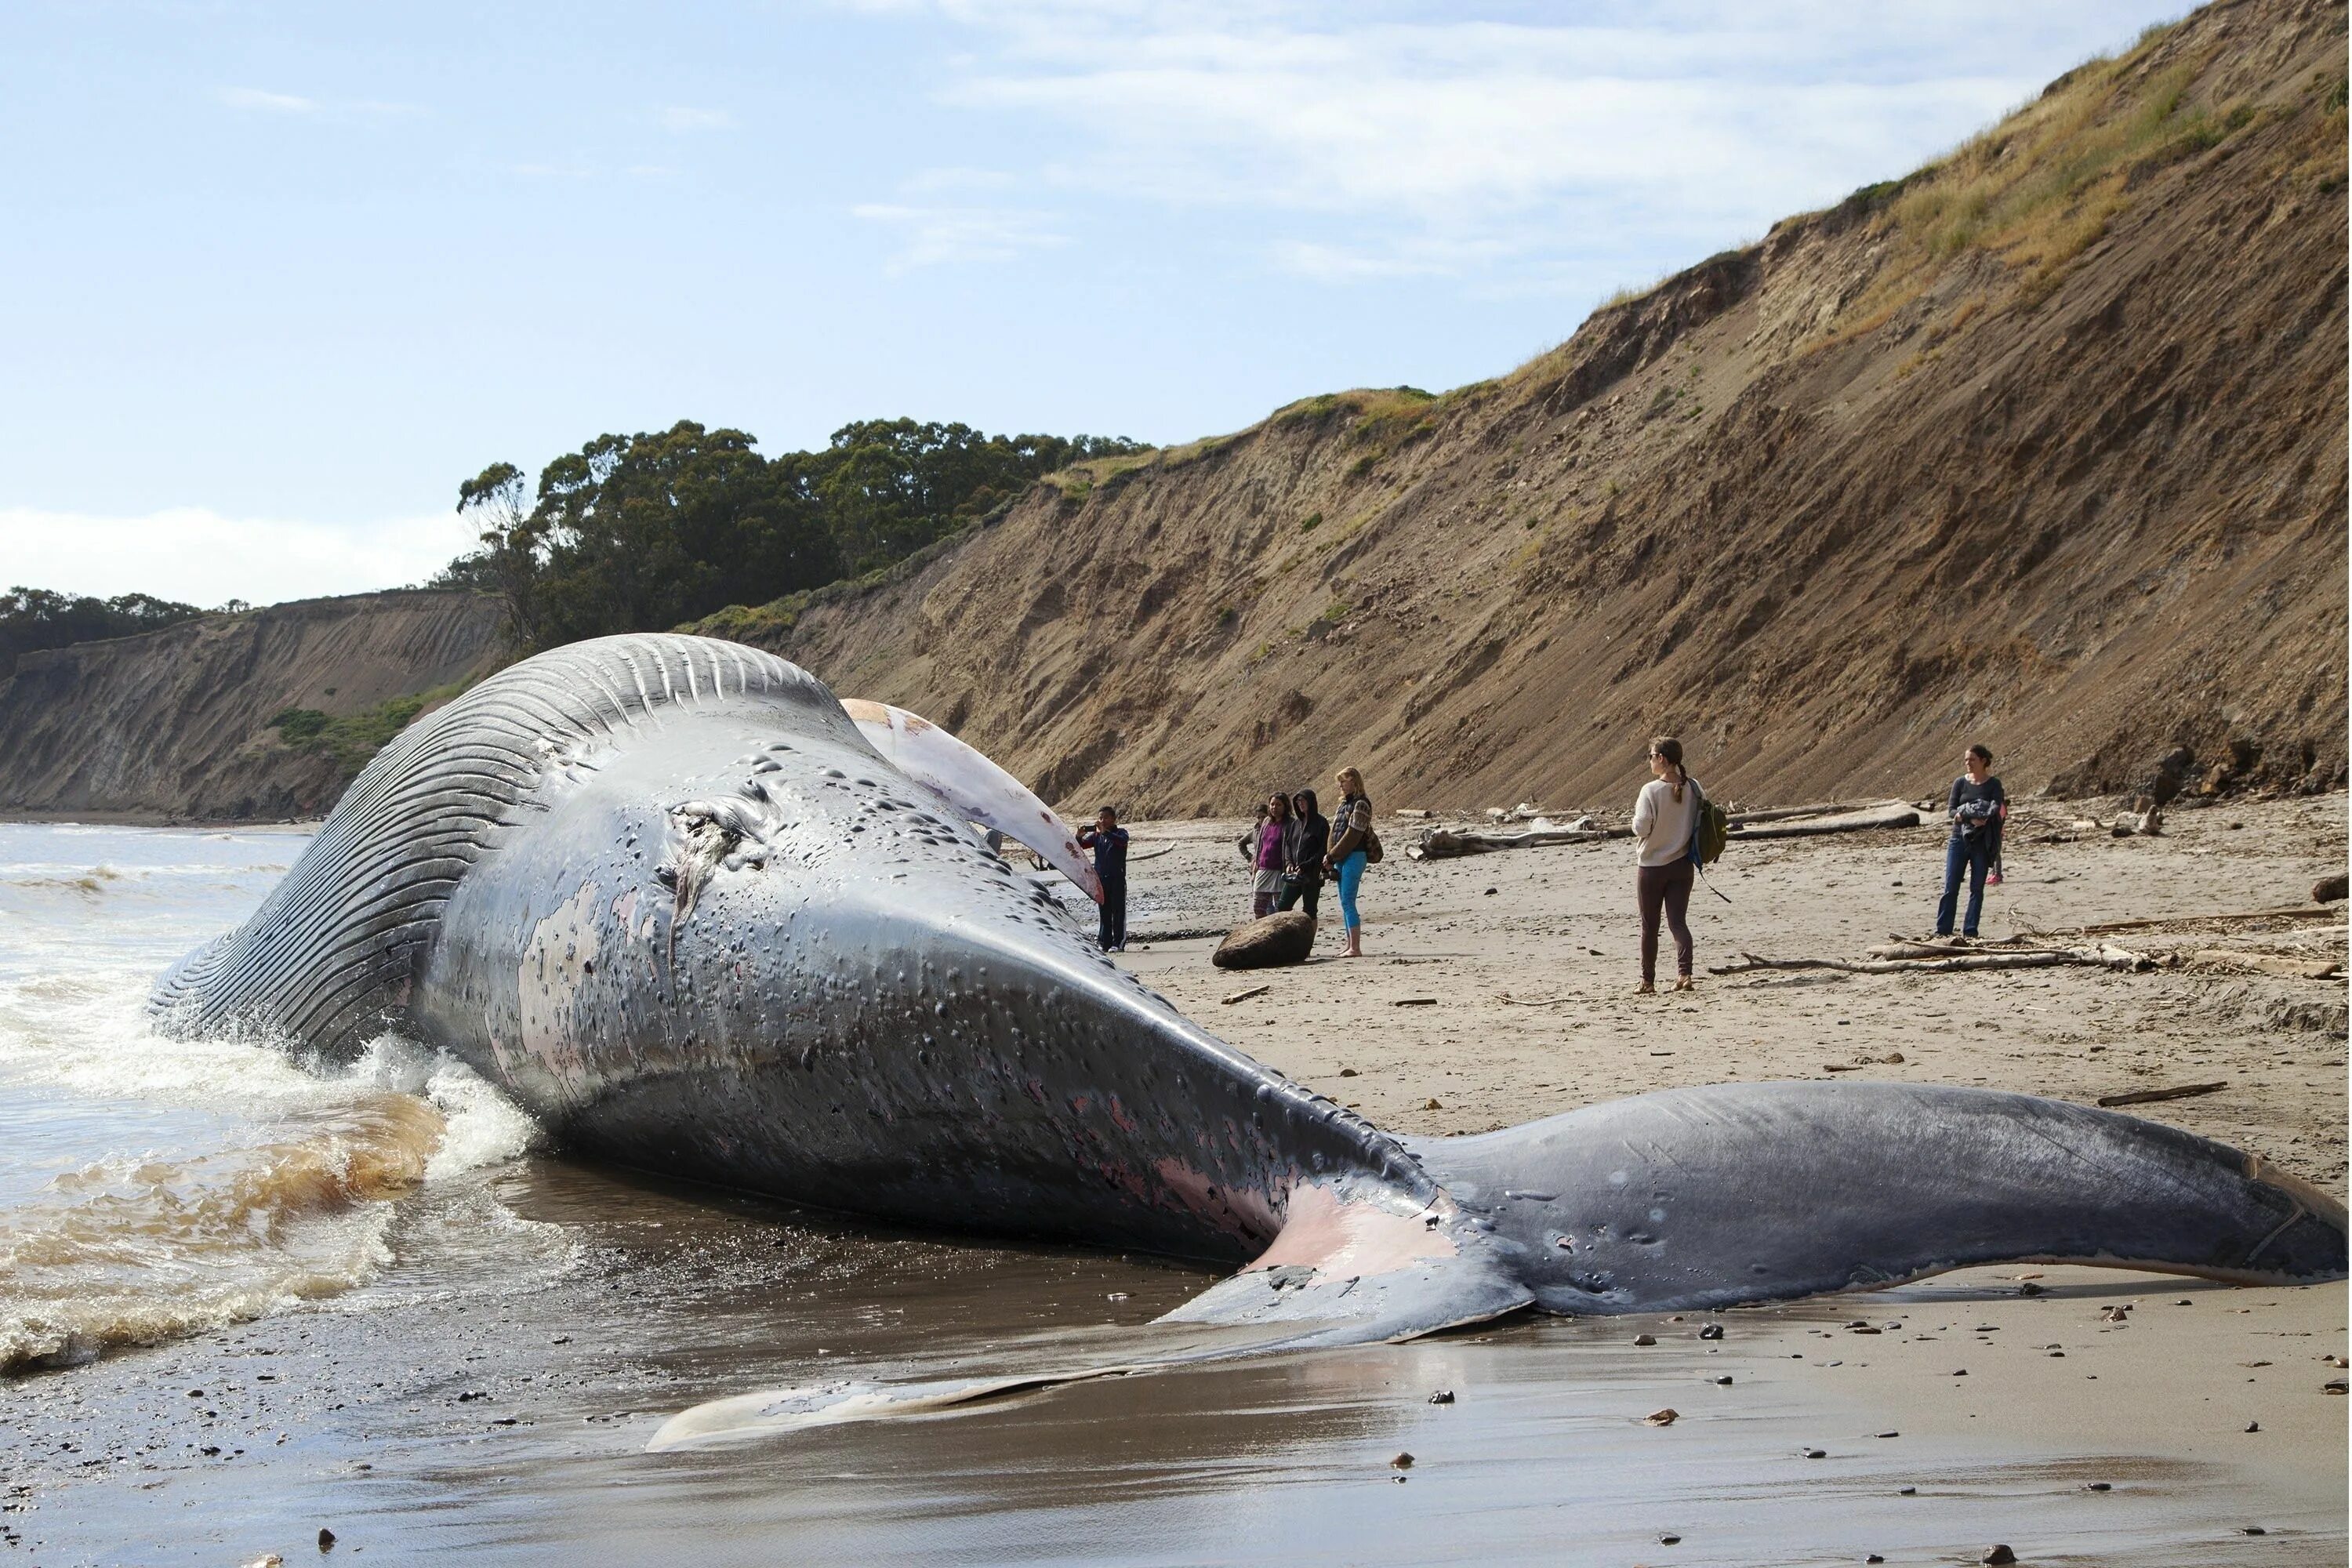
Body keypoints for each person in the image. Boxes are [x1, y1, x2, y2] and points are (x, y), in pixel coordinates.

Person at [1632, 735, 1699, 994]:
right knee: (1678, 923)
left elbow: (1641, 827)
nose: (1649, 761)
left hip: (1651, 867)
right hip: (1683, 864)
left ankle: (1647, 981)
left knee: (1650, 926)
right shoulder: (1694, 787)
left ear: (1661, 759)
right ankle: (1685, 974)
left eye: (1651, 756)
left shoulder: (1650, 791)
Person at [1936, 743, 2007, 941]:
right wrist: (1967, 816)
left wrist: (1983, 816)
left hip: (1982, 840)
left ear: (1983, 761)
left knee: (1977, 888)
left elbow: (1997, 806)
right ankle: (1943, 930)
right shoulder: (1960, 783)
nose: (1968, 763)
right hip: (1959, 838)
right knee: (1951, 887)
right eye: (1966, 760)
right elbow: (1951, 809)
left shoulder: (1994, 784)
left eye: (1972, 759)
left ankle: (1970, 931)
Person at [1323, 767, 1374, 958]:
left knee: (1348, 900)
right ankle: (1349, 944)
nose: (1341, 786)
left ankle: (1356, 947)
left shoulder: (1361, 804)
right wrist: (1329, 856)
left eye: (1343, 781)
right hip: (1341, 858)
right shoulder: (1344, 804)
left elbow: (1352, 835)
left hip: (1355, 855)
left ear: (1354, 781)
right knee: (1344, 902)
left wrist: (1331, 855)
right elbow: (1334, 831)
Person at [1077, 807, 1130, 951]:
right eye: (1100, 818)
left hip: (1117, 879)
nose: (1102, 821)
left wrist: (1105, 832)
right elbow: (1082, 845)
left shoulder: (1121, 833)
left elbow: (1122, 841)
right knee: (1104, 912)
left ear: (1113, 819)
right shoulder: (1096, 836)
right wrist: (1079, 836)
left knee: (1118, 912)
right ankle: (1104, 943)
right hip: (1101, 879)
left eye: (1106, 818)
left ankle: (1118, 943)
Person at [1278, 788, 1329, 931]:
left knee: (1310, 910)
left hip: (1312, 875)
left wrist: (1307, 865)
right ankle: (1286, 937)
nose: (1301, 804)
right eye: (1298, 801)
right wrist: (1289, 863)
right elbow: (1288, 845)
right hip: (1294, 874)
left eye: (1303, 800)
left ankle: (1308, 945)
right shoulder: (1295, 824)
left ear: (1311, 802)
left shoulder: (1321, 823)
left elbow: (1323, 850)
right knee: (1282, 906)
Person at [1249, 792, 1290, 918]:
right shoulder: (1266, 822)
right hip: (1263, 869)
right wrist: (1256, 862)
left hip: (1280, 871)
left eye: (1278, 805)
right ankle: (1262, 933)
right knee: (1259, 908)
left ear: (1285, 806)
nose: (1274, 807)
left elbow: (1291, 847)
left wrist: (1290, 865)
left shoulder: (1290, 824)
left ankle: (1282, 935)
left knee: (1281, 909)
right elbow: (1260, 844)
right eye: (1272, 804)